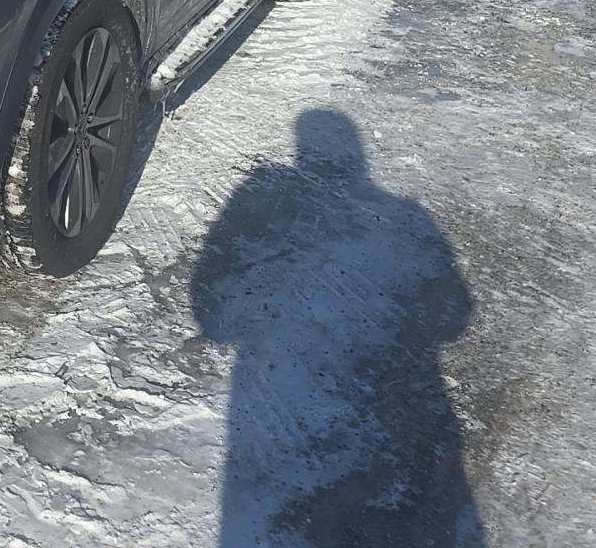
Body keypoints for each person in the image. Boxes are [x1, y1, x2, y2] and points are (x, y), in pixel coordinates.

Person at [191, 110, 486, 547]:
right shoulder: (407, 216)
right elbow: (455, 316)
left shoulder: (267, 191)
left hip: (271, 409)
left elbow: (211, 314)